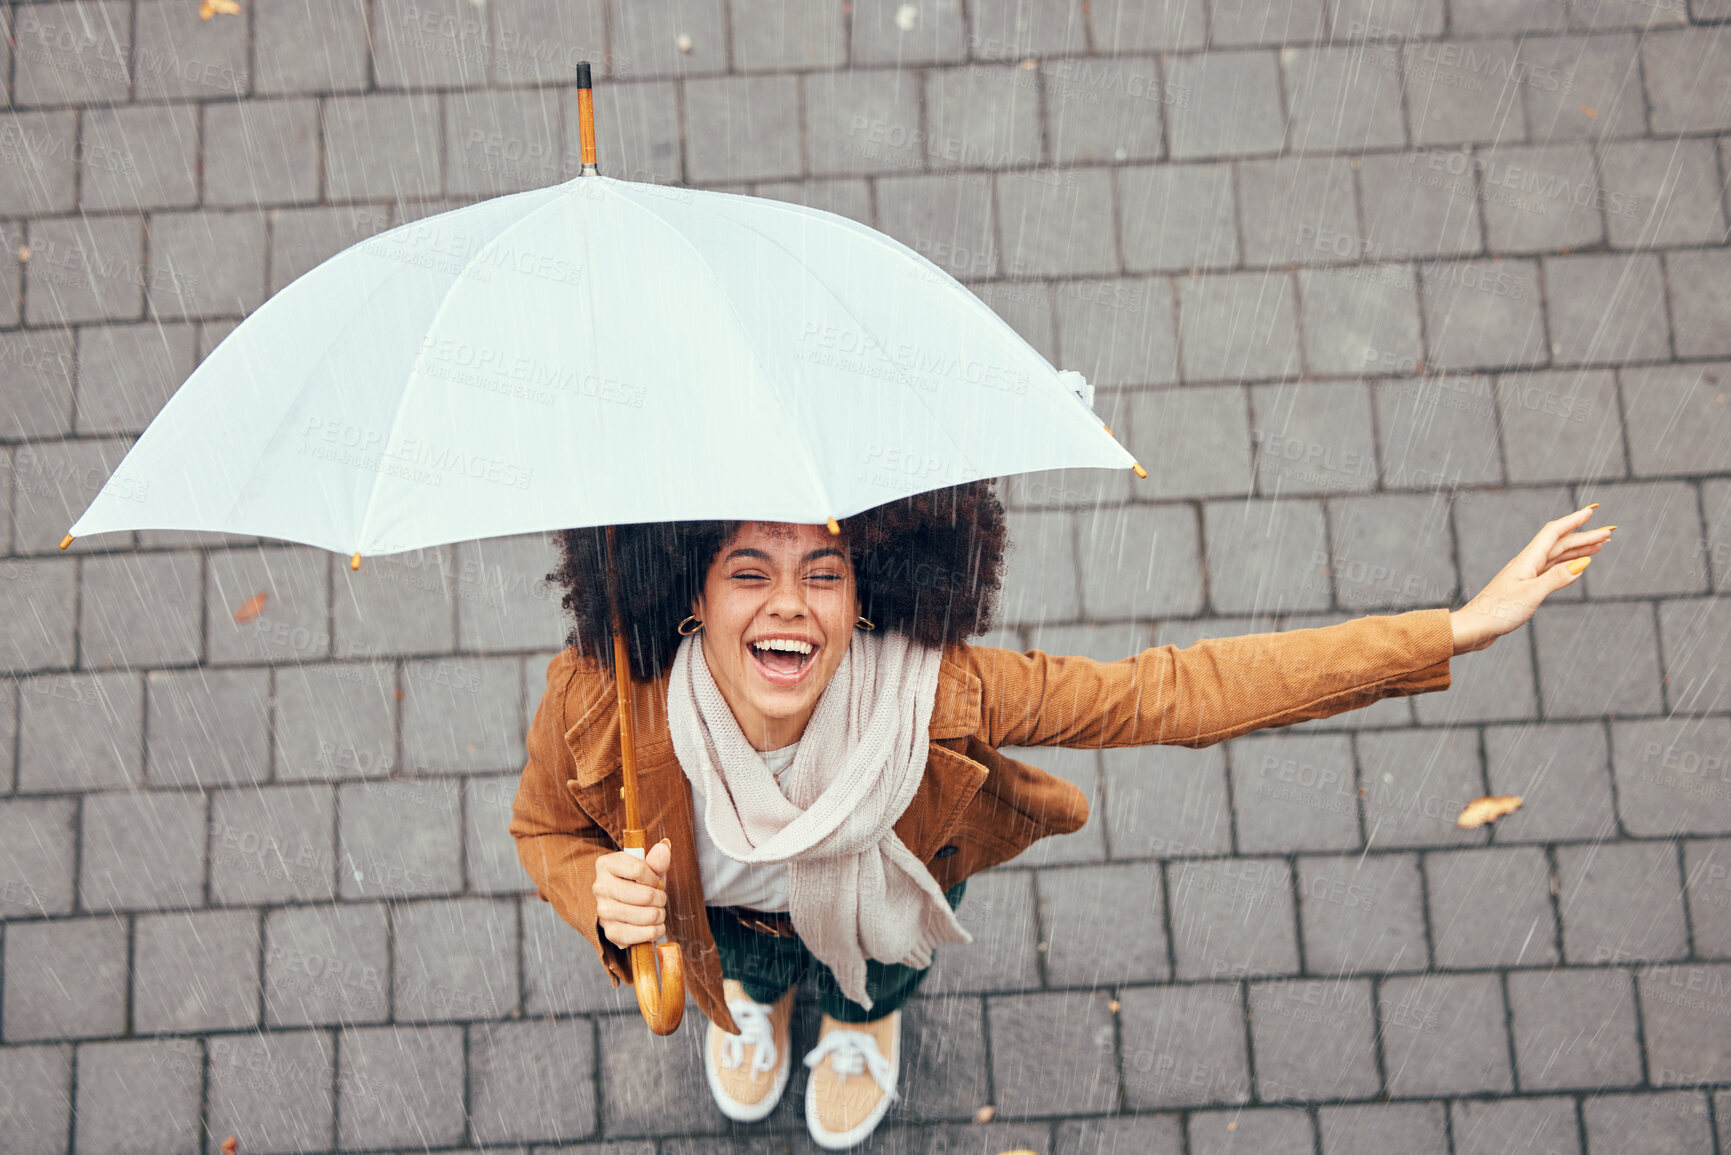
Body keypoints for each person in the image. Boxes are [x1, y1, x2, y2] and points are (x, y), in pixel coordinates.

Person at [510, 482, 1612, 1149]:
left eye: (826, 573)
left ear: (865, 597)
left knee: (878, 976)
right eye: (749, 570)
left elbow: (1168, 692)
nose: (791, 603)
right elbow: (544, 835)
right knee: (747, 984)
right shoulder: (604, 695)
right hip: (727, 936)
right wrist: (597, 898)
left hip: (889, 917)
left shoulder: (940, 690)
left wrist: (1451, 633)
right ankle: (766, 1011)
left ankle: (860, 1023)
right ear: (692, 598)